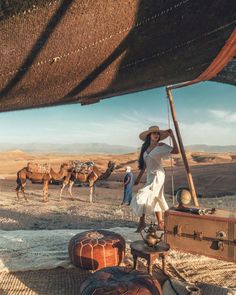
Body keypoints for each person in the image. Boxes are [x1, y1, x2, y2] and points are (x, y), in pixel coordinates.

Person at [130, 125, 179, 232]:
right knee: (157, 198)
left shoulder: (161, 146)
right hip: (150, 176)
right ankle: (161, 223)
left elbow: (176, 151)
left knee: (142, 195)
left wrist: (172, 136)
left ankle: (142, 223)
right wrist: (138, 179)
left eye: (158, 133)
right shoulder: (145, 149)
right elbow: (144, 166)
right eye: (154, 133)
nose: (156, 135)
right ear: (149, 135)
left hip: (158, 175)